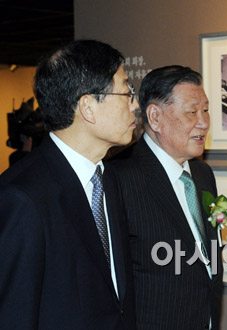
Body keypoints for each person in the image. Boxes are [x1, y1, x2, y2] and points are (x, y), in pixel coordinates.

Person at [0, 40, 138, 329]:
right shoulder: (23, 197)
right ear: (88, 107)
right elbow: (14, 314)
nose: (134, 104)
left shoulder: (108, 180)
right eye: (126, 92)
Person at [110, 65, 223, 329]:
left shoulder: (203, 174)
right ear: (155, 117)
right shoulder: (119, 179)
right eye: (192, 112)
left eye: (205, 110)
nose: (204, 122)